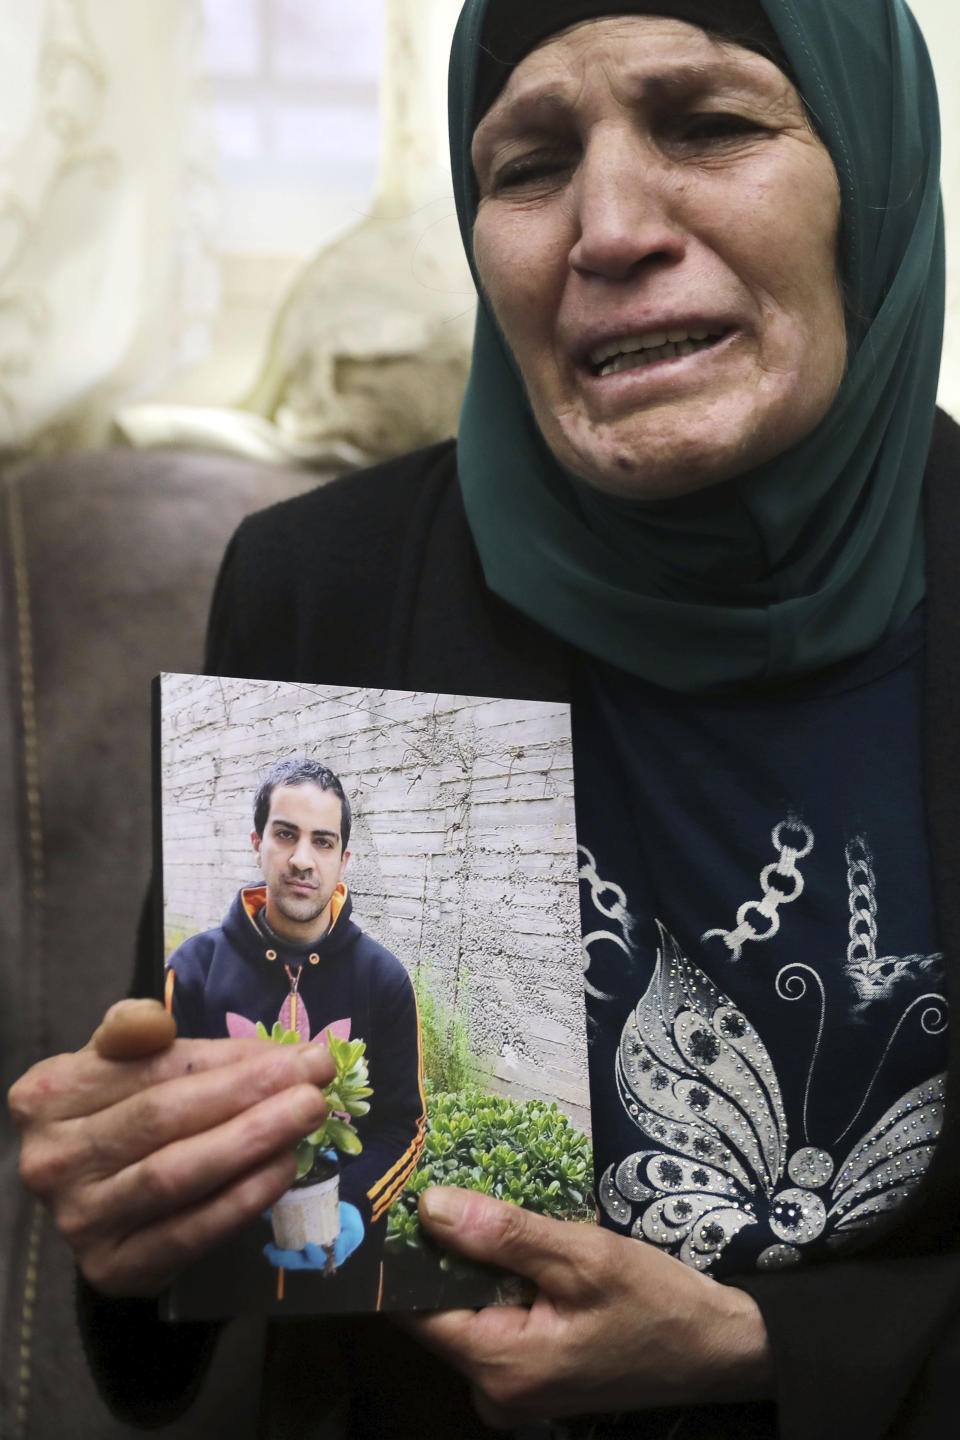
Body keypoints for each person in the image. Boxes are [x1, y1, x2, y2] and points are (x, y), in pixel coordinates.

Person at [7, 1, 959, 1437]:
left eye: (709, 125)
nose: (610, 226)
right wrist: (149, 1207)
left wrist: (773, 1345)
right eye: (526, 165)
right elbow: (235, 1226)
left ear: (875, 177)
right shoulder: (322, 588)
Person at [163, 757, 426, 1314]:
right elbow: (156, 1115)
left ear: (343, 858)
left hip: (342, 1283)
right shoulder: (190, 970)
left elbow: (404, 1124)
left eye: (323, 842)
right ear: (258, 842)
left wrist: (353, 1206)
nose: (302, 859)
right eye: (286, 835)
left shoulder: (385, 980)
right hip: (215, 1276)